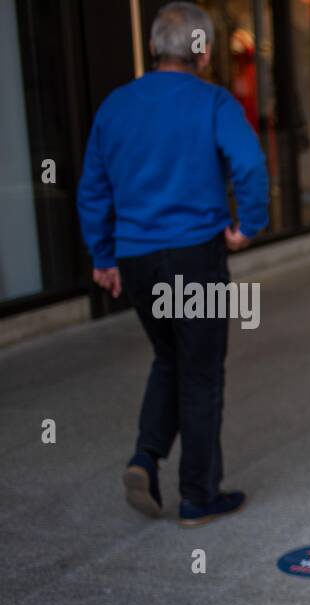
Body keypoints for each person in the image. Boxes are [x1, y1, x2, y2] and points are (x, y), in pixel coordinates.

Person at [77, 1, 268, 526]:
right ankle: (198, 495)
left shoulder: (116, 105)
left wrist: (103, 254)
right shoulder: (213, 102)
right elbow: (249, 163)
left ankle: (146, 456)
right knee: (201, 372)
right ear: (202, 52)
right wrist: (247, 224)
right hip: (194, 256)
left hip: (137, 260)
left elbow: (93, 187)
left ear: (156, 46)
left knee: (169, 358)